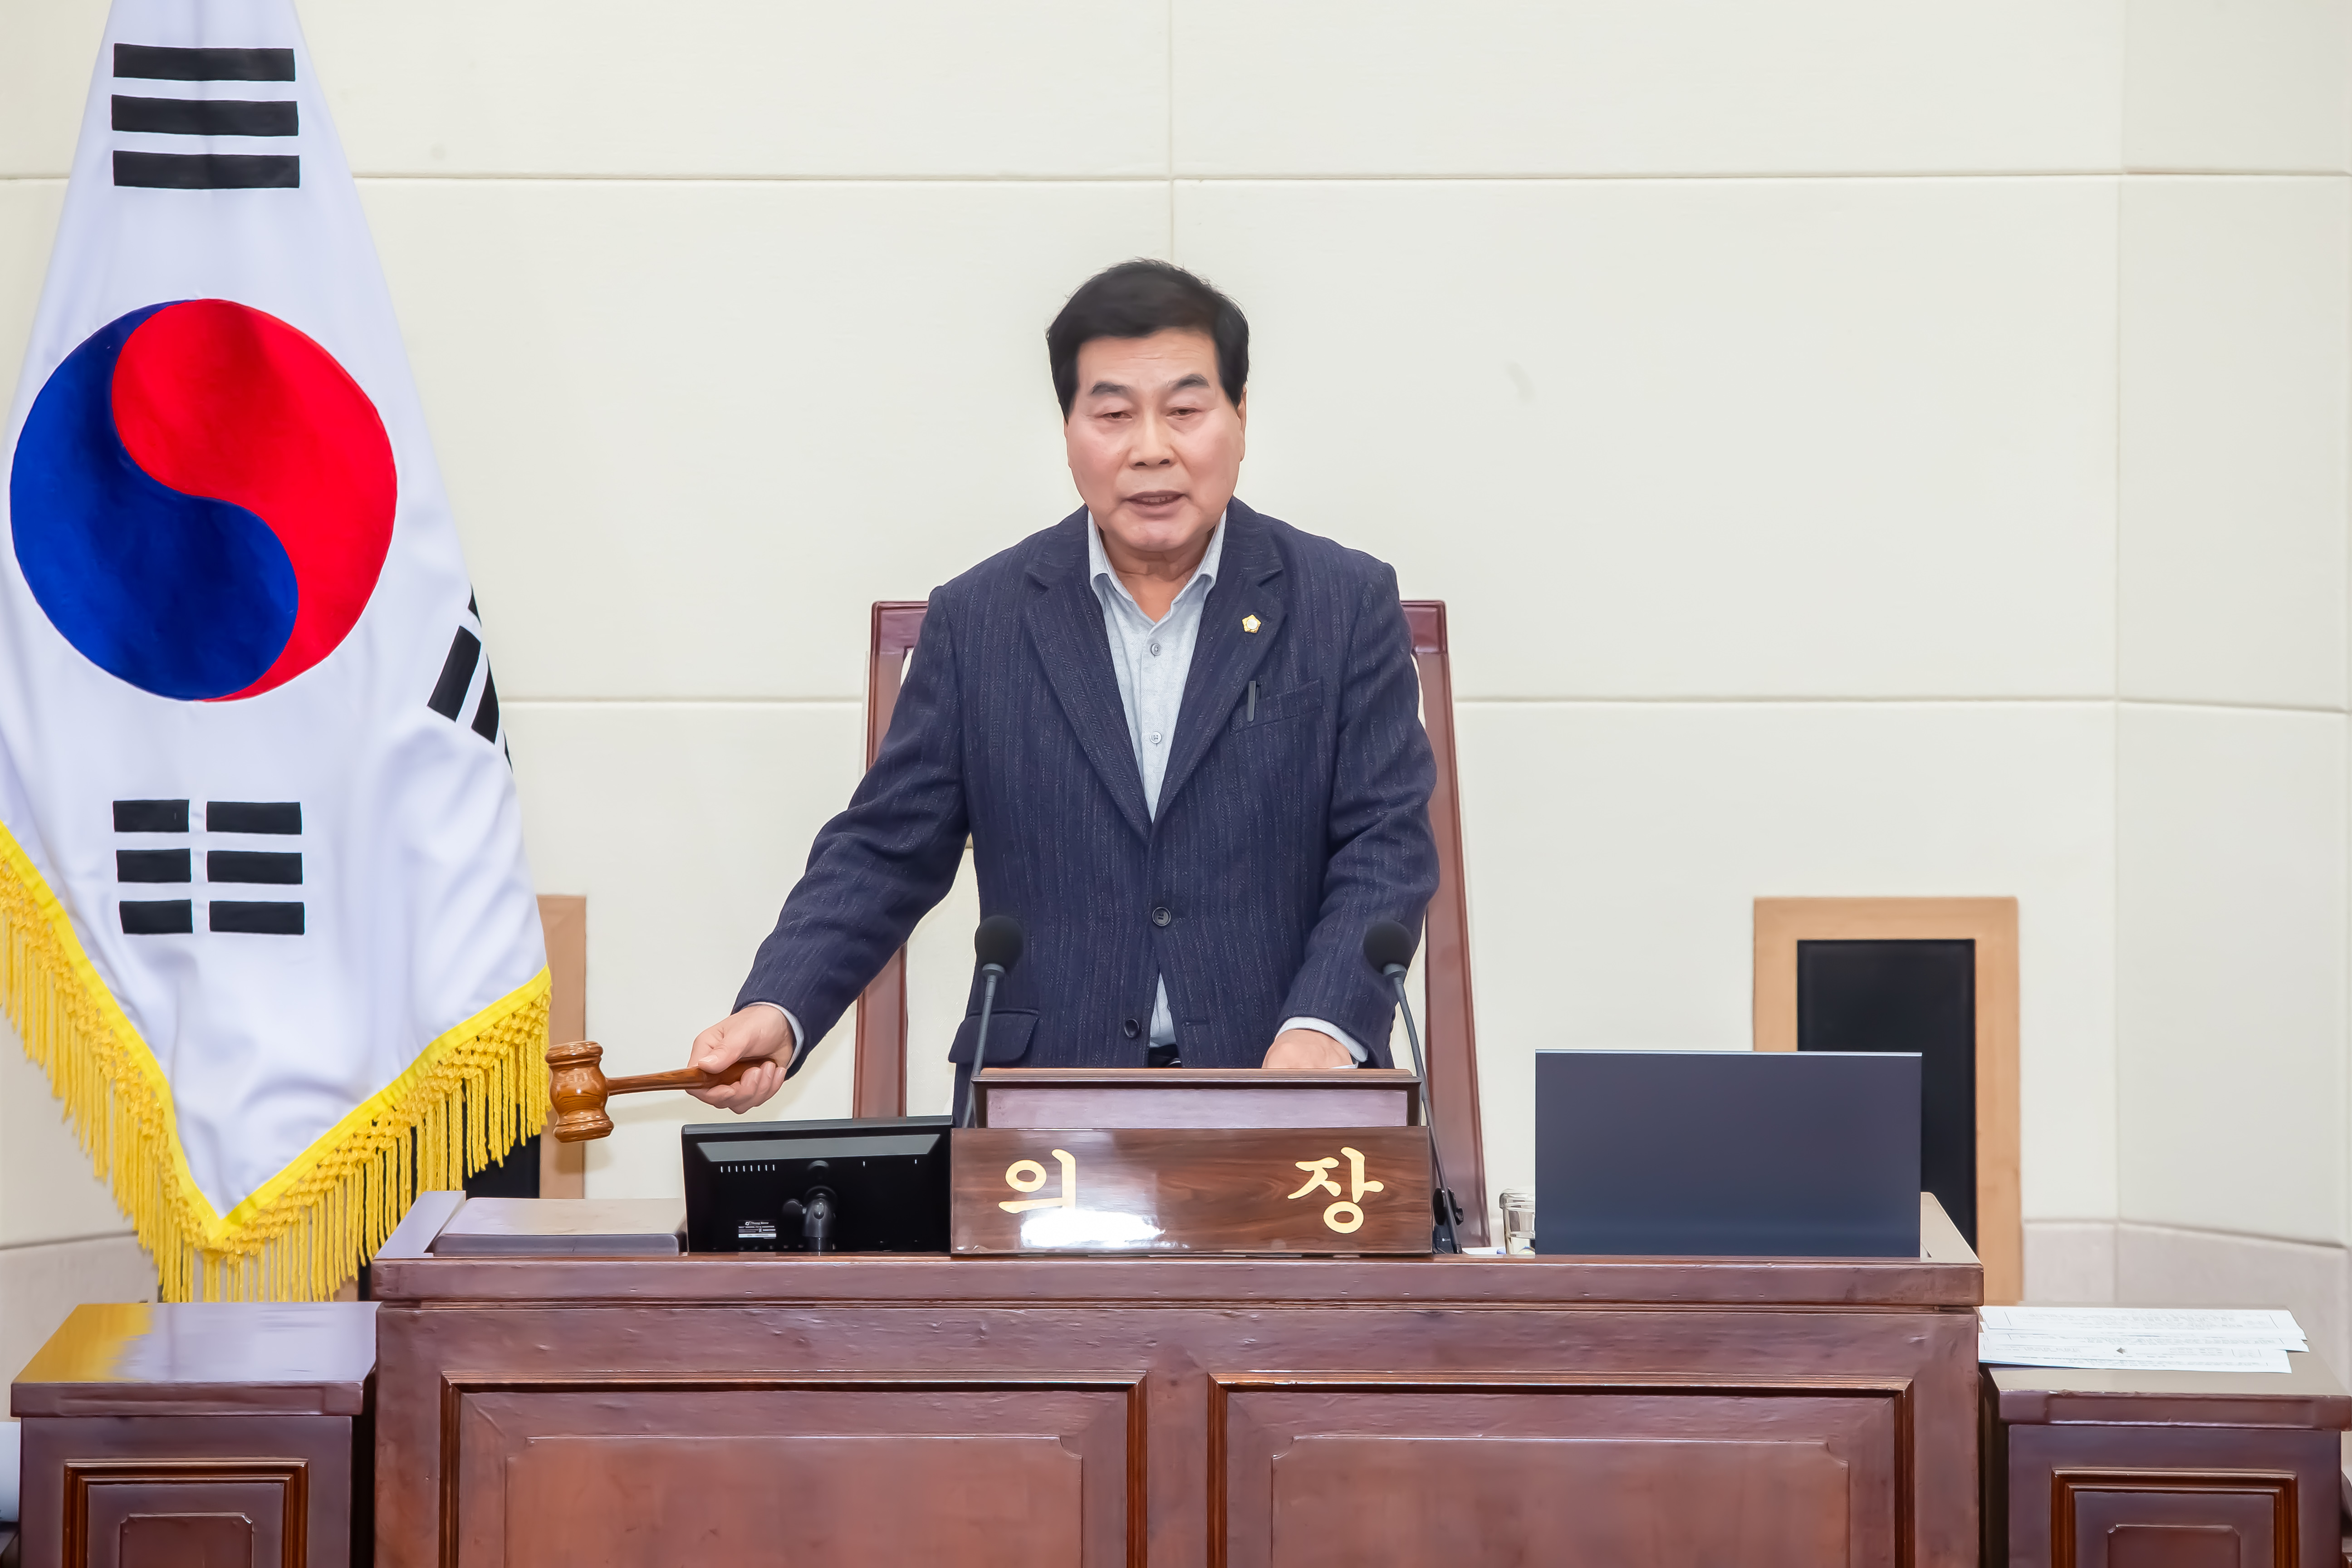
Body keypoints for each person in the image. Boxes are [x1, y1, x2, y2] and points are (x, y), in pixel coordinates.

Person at [686, 260, 1437, 1114]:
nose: (1150, 448)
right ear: (1069, 429)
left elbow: (1386, 843)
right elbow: (887, 848)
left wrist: (1321, 1031)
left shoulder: (1345, 602)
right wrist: (779, 1007)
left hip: (1279, 1087)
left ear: (1240, 417)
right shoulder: (980, 619)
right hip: (1040, 1108)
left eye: (1185, 411)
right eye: (1113, 414)